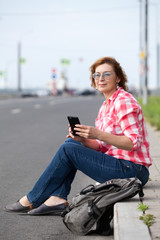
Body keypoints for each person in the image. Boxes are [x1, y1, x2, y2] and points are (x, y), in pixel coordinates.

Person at [5, 57, 151, 215]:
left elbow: (132, 143)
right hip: (119, 165)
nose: (101, 78)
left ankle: (32, 199)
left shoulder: (123, 101)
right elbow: (102, 147)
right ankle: (57, 198)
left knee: (69, 149)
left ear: (118, 78)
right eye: (97, 75)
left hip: (132, 171)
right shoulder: (106, 105)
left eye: (106, 74)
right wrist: (84, 140)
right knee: (71, 144)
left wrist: (98, 134)